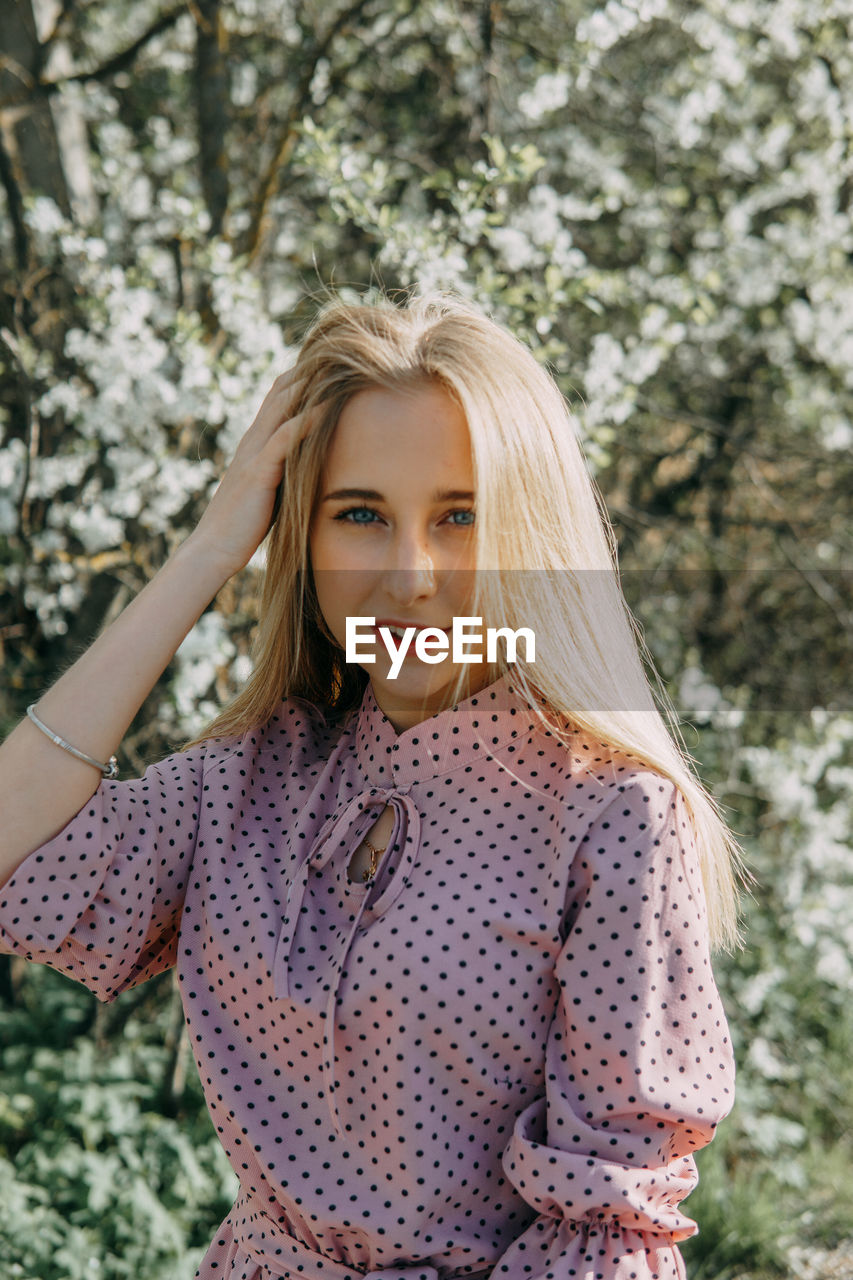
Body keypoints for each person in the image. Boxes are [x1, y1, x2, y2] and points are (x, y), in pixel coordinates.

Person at [0, 292, 739, 1280]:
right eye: (358, 514)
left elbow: (606, 1225)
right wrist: (212, 548)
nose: (410, 574)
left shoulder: (609, 814)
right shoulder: (249, 776)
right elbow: (15, 856)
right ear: (299, 533)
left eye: (460, 515)